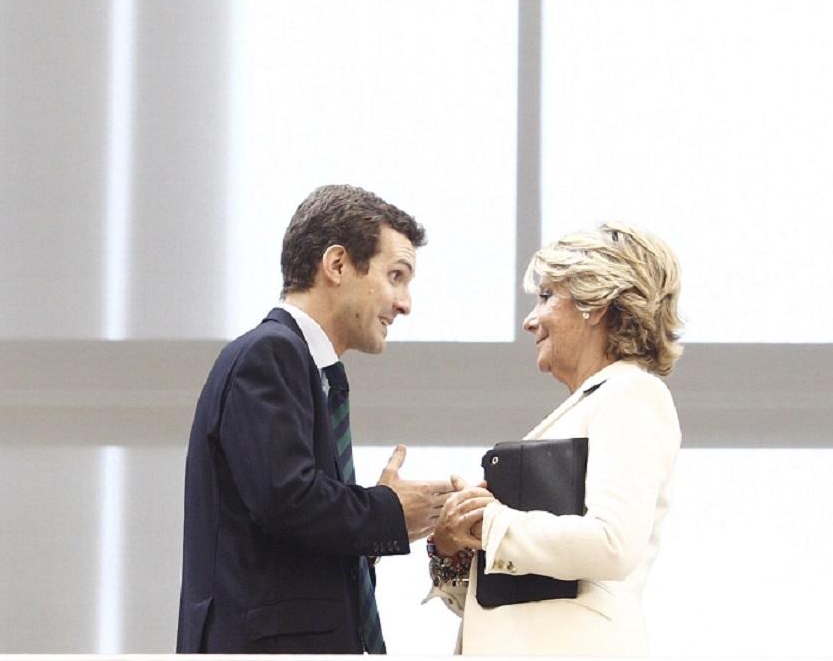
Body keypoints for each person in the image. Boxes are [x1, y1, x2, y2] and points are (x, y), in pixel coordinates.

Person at [177, 184, 453, 654]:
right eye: (396, 276)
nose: (405, 303)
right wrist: (386, 510)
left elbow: (281, 534)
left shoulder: (299, 364)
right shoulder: (270, 353)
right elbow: (287, 499)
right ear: (338, 265)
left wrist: (374, 530)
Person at [426, 222, 683, 656]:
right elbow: (516, 589)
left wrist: (489, 523)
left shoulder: (630, 392)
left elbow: (612, 544)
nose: (530, 321)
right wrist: (453, 544)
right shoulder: (584, 409)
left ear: (596, 304)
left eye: (546, 296)